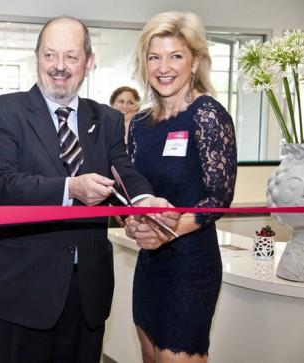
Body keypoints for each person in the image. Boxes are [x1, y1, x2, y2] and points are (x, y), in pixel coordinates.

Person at [0, 16, 179, 363]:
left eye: (71, 56)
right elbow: (0, 185)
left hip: (87, 293)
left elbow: (123, 170)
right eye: (50, 56)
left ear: (89, 61)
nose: (59, 67)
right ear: (37, 57)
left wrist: (145, 200)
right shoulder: (2, 112)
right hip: (20, 293)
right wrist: (71, 188)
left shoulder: (107, 119)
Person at [125, 11, 237, 363]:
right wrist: (133, 222)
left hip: (190, 267)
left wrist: (167, 232)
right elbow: (133, 191)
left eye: (176, 55)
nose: (164, 66)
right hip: (149, 266)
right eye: (154, 57)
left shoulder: (208, 115)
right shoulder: (140, 123)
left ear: (195, 61)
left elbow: (219, 198)